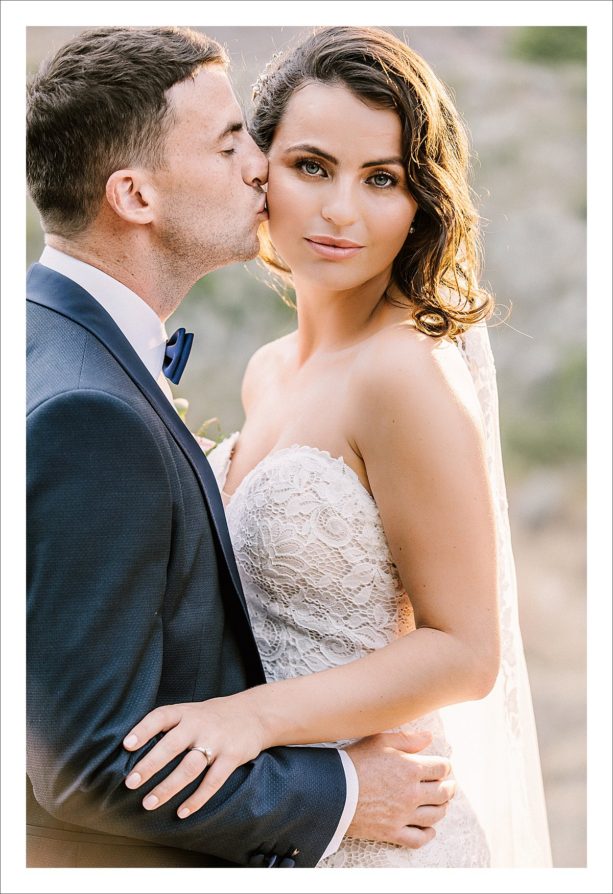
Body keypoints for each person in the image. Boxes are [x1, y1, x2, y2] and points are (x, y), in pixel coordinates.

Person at [25, 26, 457, 869]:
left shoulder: (40, 338)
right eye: (233, 146)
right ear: (135, 197)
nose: (257, 168)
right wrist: (338, 791)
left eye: (380, 178)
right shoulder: (95, 408)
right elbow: (81, 760)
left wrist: (259, 722)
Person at [122, 27, 552, 867]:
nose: (339, 211)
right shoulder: (264, 368)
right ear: (260, 169)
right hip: (286, 817)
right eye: (312, 166)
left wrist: (249, 720)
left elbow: (464, 651)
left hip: (387, 838)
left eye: (382, 179)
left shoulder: (405, 374)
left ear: (420, 202)